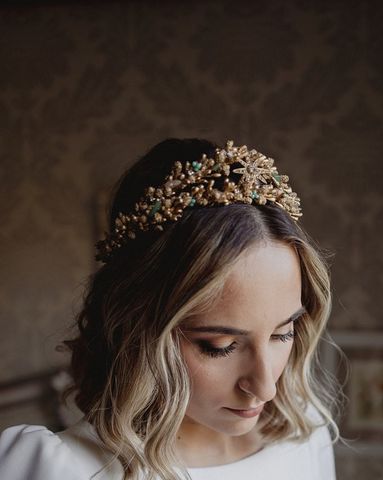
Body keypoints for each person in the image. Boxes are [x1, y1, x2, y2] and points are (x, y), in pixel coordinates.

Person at [0, 138, 340, 479]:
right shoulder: (61, 469)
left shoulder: (305, 437)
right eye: (218, 346)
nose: (265, 388)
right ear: (138, 327)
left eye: (283, 334)